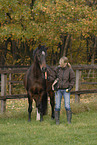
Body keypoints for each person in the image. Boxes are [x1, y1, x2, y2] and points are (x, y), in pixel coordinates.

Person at [52, 56, 75, 125]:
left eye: (61, 62)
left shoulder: (70, 70)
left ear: (65, 63)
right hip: (58, 90)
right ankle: (57, 122)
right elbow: (53, 75)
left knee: (67, 106)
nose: (60, 63)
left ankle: (69, 121)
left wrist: (70, 87)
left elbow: (73, 79)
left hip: (66, 90)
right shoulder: (57, 69)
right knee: (57, 106)